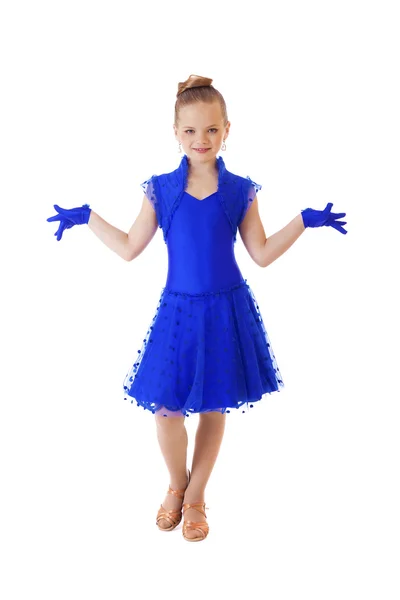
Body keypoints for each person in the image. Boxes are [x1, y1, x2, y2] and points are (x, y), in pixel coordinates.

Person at [47, 73, 347, 542]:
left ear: (227, 130)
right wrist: (88, 218)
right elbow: (129, 248)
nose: (201, 139)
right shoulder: (160, 189)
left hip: (227, 310)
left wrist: (303, 222)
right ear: (175, 133)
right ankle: (176, 485)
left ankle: (197, 497)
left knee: (213, 407)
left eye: (211, 129)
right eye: (190, 131)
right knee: (166, 409)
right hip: (179, 311)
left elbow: (262, 254)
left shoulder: (240, 189)